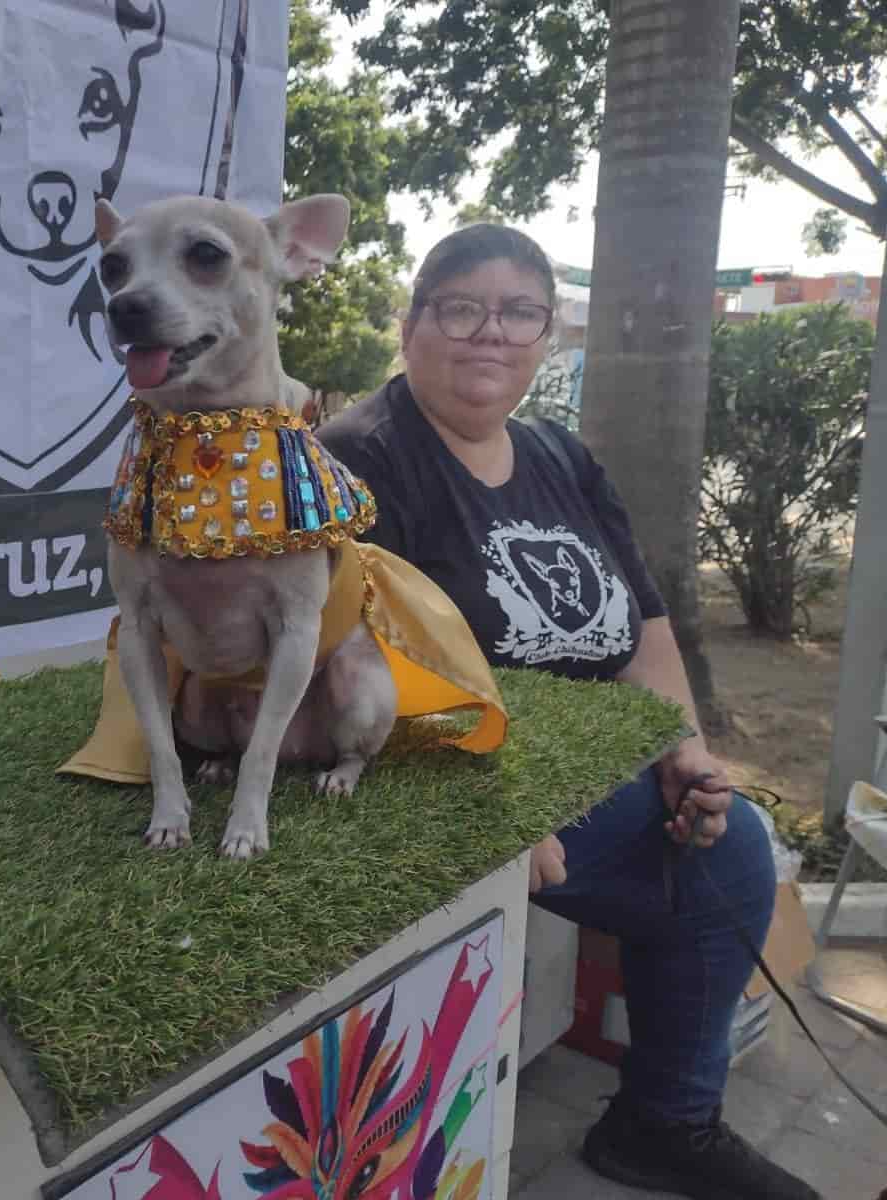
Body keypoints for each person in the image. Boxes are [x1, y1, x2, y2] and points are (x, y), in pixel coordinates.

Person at [317, 224, 818, 1200]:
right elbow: (366, 668)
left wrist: (684, 752)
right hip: (435, 782)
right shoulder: (363, 458)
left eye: (519, 313)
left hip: (581, 776)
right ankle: (658, 1119)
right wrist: (515, 805)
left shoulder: (558, 456)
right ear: (412, 324)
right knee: (717, 856)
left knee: (726, 838)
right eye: (460, 308)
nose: (488, 334)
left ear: (547, 334)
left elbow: (646, 625)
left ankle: (664, 1121)